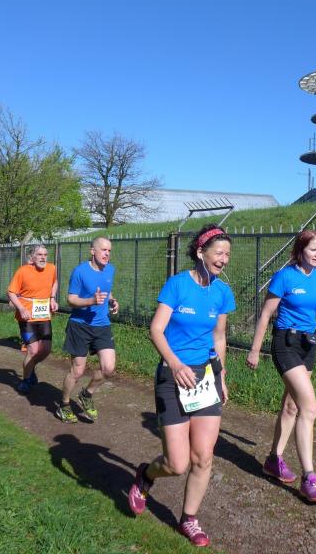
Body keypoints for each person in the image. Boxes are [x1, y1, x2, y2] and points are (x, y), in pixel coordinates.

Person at [128, 224, 235, 548]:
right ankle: (146, 475)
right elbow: (156, 330)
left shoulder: (222, 293)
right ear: (200, 252)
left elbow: (219, 337)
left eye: (228, 254)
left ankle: (189, 518)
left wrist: (221, 377)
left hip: (205, 378)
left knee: (203, 457)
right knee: (177, 463)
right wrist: (175, 364)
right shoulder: (177, 285)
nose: (224, 259)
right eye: (219, 253)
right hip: (171, 375)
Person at [246, 229, 316, 503]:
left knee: (292, 406)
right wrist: (255, 349)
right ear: (300, 250)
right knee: (309, 408)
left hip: (308, 346)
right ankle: (309, 477)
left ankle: (273, 460)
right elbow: (266, 314)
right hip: (285, 344)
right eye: (313, 249)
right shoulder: (284, 276)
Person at [55, 236, 119, 424]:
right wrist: (91, 301)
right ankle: (64, 405)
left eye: (109, 251)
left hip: (102, 325)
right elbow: (71, 299)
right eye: (103, 250)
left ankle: (87, 393)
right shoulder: (80, 272)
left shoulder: (110, 269)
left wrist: (112, 301)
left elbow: (107, 290)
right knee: (77, 370)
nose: (107, 254)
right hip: (80, 325)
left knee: (109, 368)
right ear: (92, 251)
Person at [7, 244, 58, 393]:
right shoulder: (23, 271)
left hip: (44, 316)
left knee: (46, 350)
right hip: (27, 317)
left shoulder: (52, 268)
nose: (43, 257)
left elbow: (54, 282)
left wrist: (52, 298)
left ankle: (31, 366)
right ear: (32, 257)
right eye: (40, 255)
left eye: (45, 255)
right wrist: (21, 308)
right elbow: (11, 292)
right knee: (33, 350)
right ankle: (26, 380)